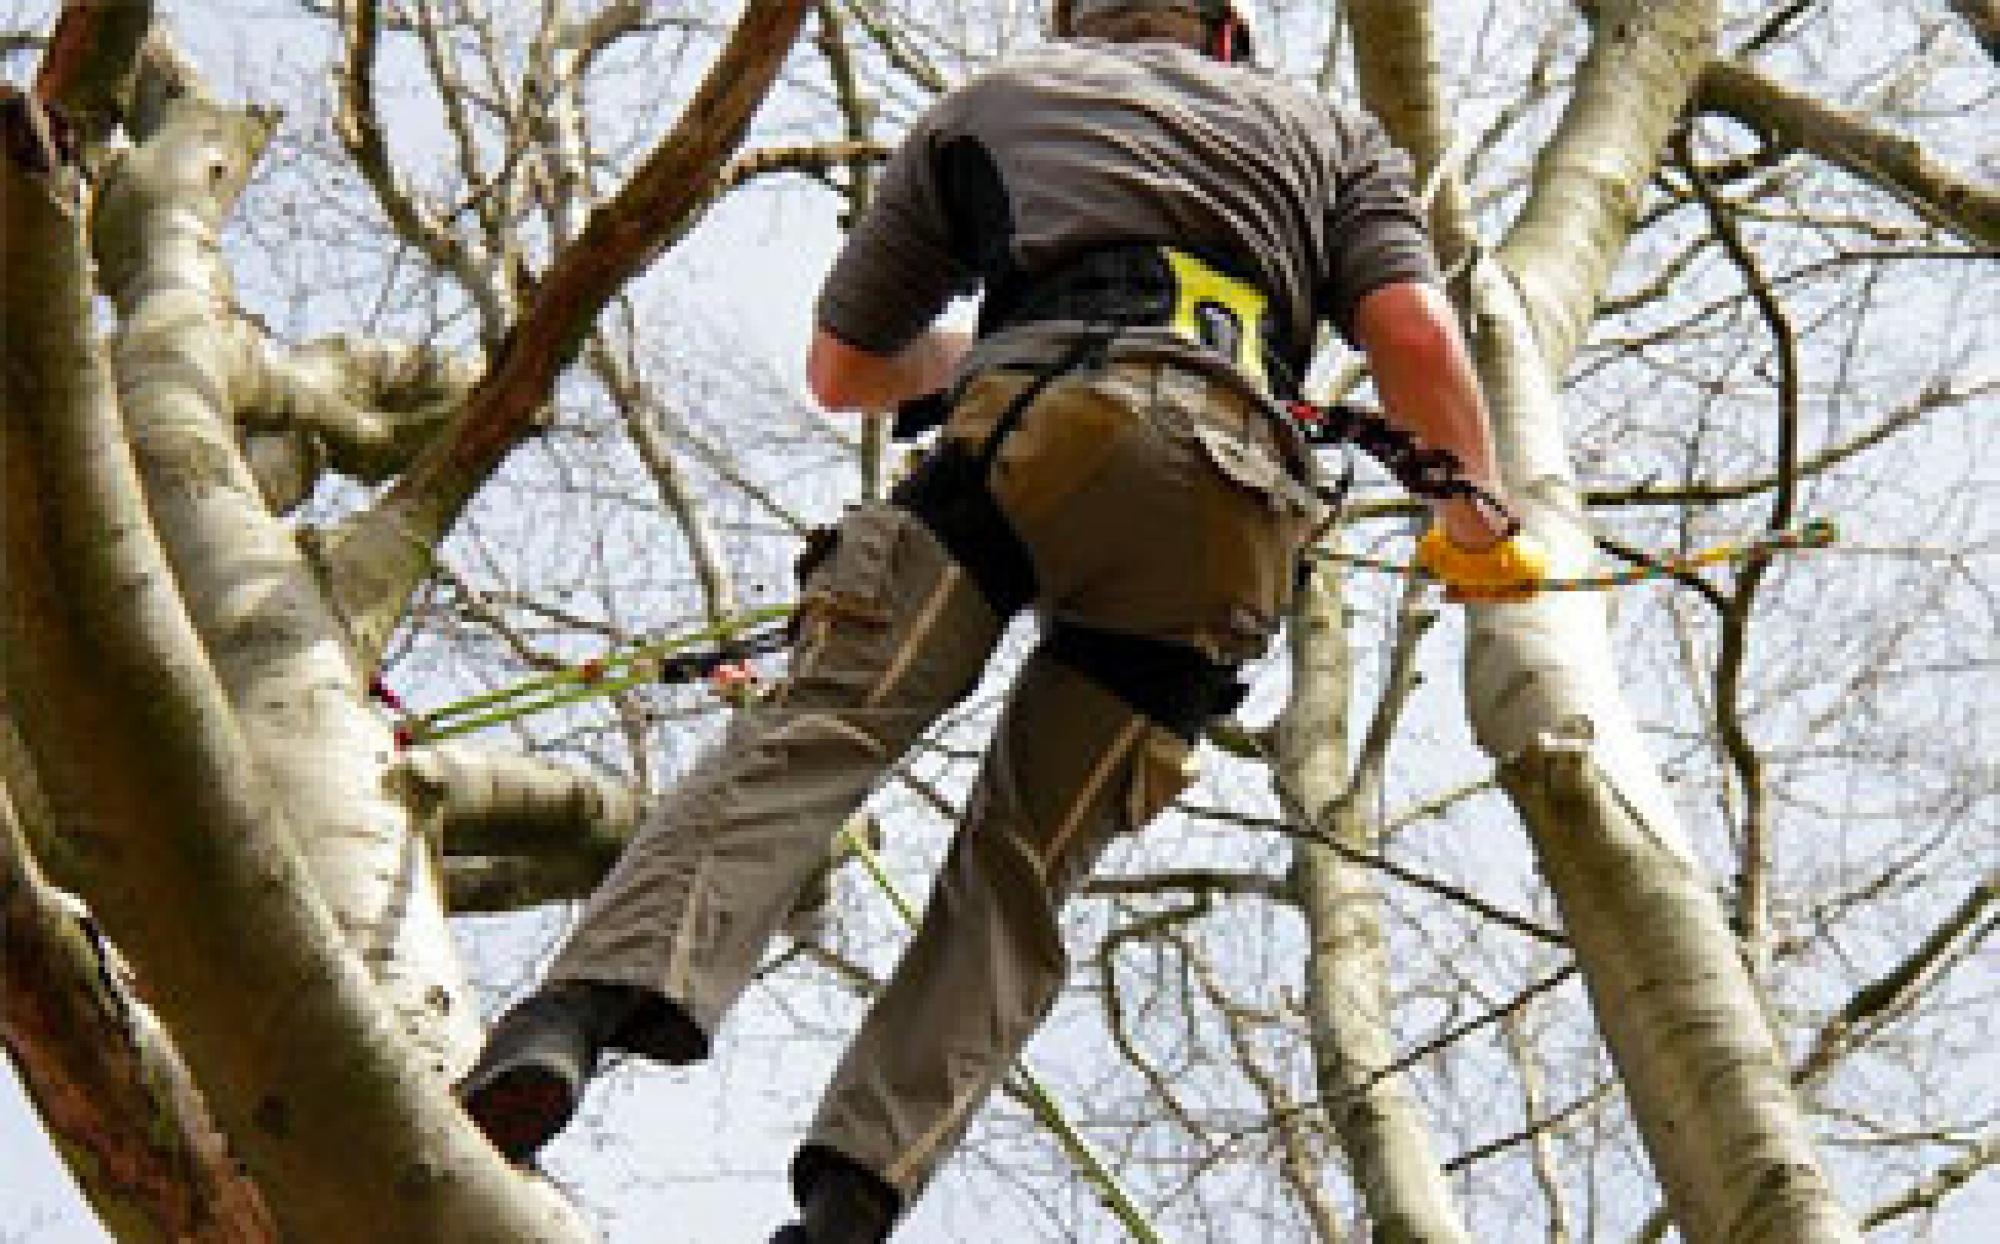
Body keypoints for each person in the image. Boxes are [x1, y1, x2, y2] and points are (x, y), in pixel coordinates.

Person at [457, 1, 1547, 1239]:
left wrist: (973, 351)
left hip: (1028, 428)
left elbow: (843, 371)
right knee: (1021, 868)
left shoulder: (993, 105)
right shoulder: (1330, 138)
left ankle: (568, 1020)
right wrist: (1477, 524)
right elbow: (1410, 332)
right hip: (1225, 504)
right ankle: (849, 1203)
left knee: (819, 730)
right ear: (1228, 36)